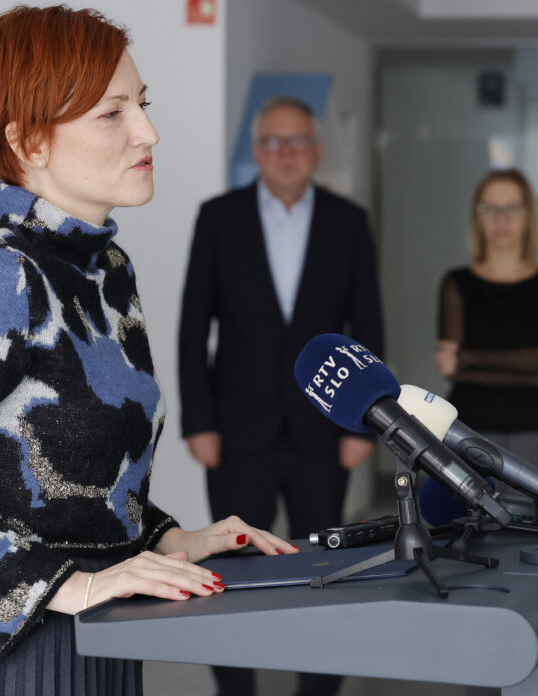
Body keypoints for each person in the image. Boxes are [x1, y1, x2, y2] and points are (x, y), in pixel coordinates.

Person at [0, 7, 295, 695]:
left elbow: (72, 484)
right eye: (112, 113)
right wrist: (77, 587)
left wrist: (169, 540)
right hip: (11, 662)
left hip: (104, 638)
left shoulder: (105, 269)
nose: (148, 132)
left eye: (143, 105)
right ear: (27, 140)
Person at [178, 95, 384, 696]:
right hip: (236, 433)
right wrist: (198, 420)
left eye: (297, 141)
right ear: (256, 150)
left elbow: (368, 327)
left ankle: (317, 690)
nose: (285, 152)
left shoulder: (348, 222)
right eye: (273, 140)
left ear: (316, 151)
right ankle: (235, 689)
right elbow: (194, 326)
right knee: (229, 572)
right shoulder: (219, 217)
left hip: (325, 430)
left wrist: (364, 423)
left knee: (327, 570)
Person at [433, 168, 538, 491]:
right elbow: (451, 370)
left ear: (529, 216)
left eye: (513, 207)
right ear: (477, 217)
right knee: (461, 523)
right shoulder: (457, 283)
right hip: (466, 431)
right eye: (490, 208)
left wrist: (466, 358)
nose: (502, 219)